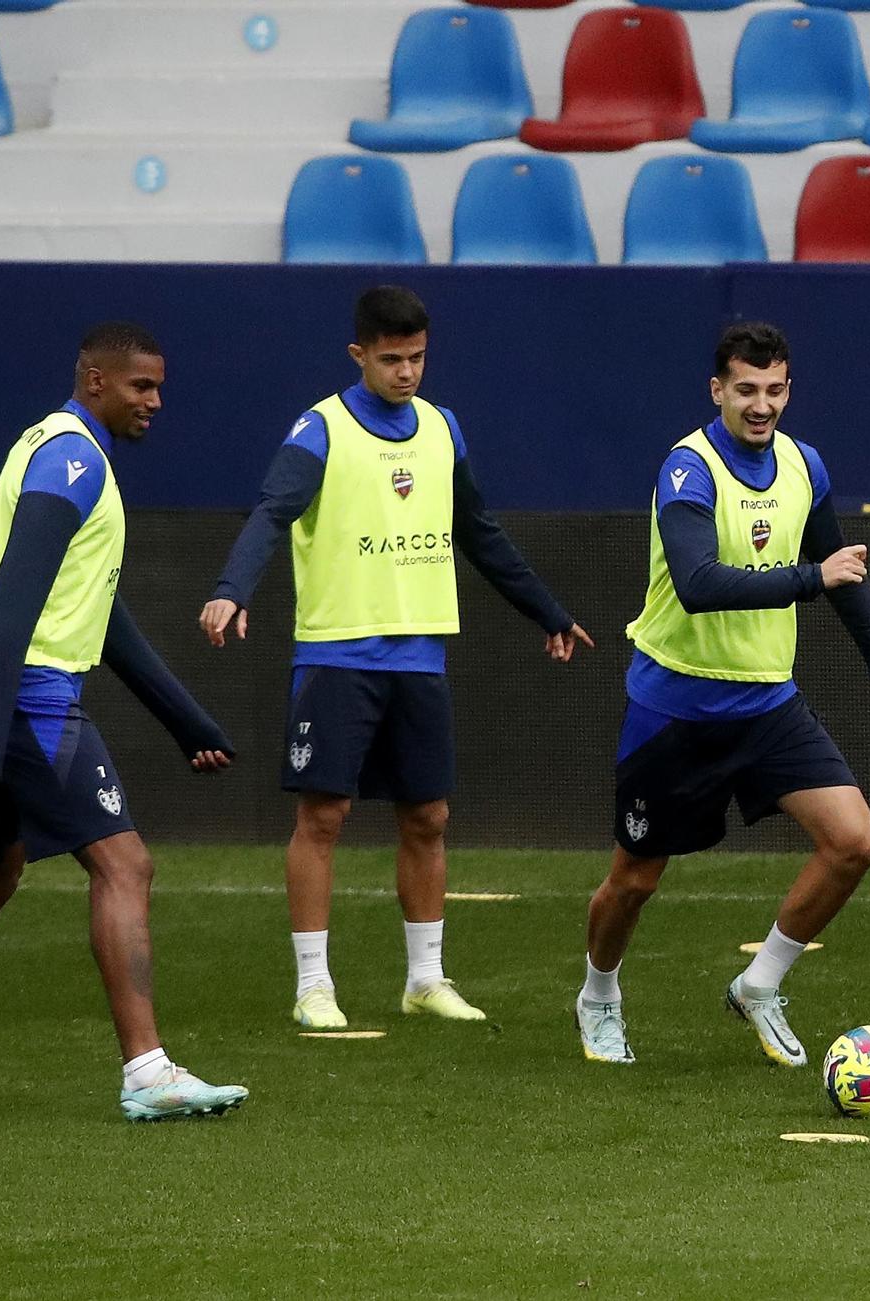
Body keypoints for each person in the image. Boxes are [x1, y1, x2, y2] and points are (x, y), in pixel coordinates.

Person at [200, 285, 590, 1031]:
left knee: (430, 816)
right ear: (359, 355)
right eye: (390, 359)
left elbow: (479, 531)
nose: (406, 371)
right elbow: (271, 512)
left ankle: (425, 978)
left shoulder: (443, 429)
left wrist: (547, 610)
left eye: (416, 357)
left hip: (419, 656)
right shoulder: (321, 428)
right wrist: (232, 588)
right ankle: (314, 985)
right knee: (324, 814)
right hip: (338, 653)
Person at [0, 322, 249, 1122]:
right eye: (140, 386)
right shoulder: (74, 459)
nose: (155, 401)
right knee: (126, 866)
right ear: (94, 379)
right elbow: (16, 588)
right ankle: (149, 1073)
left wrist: (183, 719)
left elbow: (102, 614)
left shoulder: (63, 451)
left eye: (159, 387)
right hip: (21, 694)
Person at [575, 321, 870, 1068]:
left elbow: (843, 571)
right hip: (676, 709)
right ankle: (599, 993)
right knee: (632, 882)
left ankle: (759, 982)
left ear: (789, 389)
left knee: (855, 841)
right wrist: (813, 577)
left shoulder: (806, 465)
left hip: (768, 706)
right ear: (718, 390)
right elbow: (700, 585)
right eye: (745, 390)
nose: (760, 405)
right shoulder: (689, 469)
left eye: (774, 390)